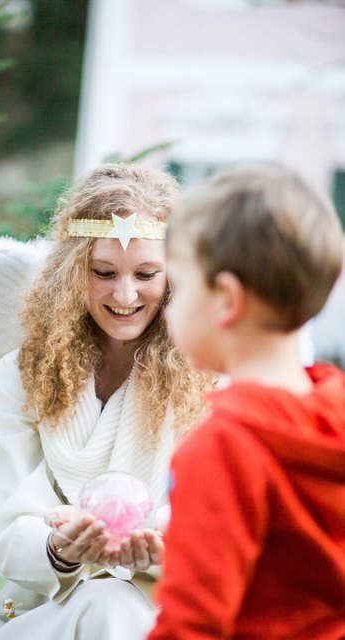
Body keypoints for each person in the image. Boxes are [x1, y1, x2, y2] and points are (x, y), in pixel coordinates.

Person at [0, 163, 212, 639]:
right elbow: (4, 526)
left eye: (146, 274)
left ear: (175, 275)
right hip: (45, 609)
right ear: (73, 272)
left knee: (113, 602)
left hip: (160, 606)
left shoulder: (208, 376)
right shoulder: (20, 377)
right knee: (101, 601)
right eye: (104, 272)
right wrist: (59, 546)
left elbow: (222, 515)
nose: (124, 294)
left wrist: (160, 540)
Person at [148, 163, 345, 640]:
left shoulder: (224, 445)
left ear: (226, 300)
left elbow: (191, 623)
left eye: (178, 288)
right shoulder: (335, 409)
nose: (168, 307)